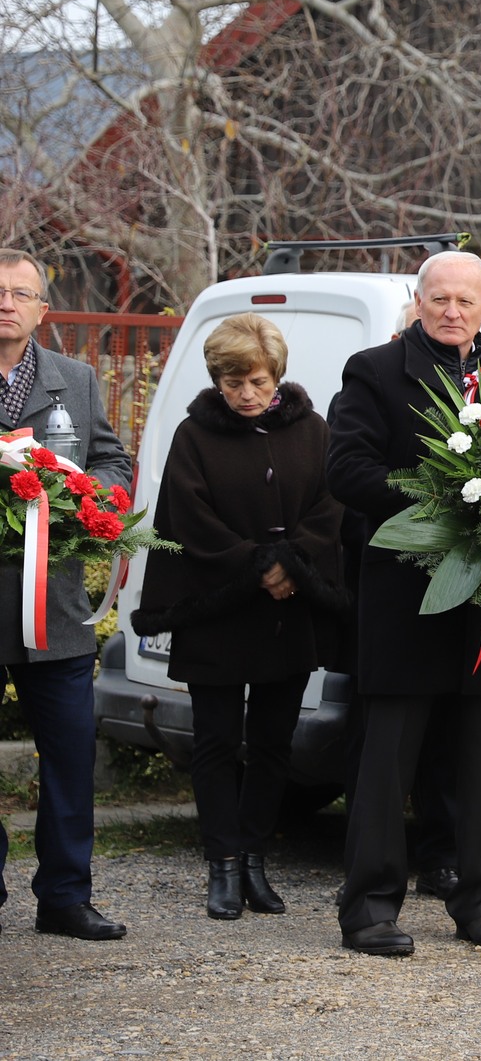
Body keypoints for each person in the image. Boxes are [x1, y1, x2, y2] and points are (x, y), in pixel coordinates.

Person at [327, 251, 481, 957]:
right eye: (438, 298)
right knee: (387, 768)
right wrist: (441, 494)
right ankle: (370, 910)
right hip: (402, 602)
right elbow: (347, 470)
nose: (452, 310)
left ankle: (479, 901)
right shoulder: (374, 371)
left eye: (464, 300)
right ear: (418, 301)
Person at [132, 315, 347, 920]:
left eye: (255, 380)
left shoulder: (314, 431)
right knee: (218, 741)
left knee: (274, 742)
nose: (245, 393)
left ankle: (254, 859)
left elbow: (329, 506)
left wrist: (292, 565)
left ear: (276, 375)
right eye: (232, 382)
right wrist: (258, 565)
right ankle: (223, 865)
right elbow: (187, 515)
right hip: (220, 612)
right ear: (217, 380)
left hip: (288, 611)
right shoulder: (193, 436)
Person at [0, 249, 133, 940]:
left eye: (22, 293)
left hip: (51, 604)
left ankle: (65, 894)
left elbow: (114, 459)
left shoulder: (75, 379)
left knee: (72, 749)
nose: (8, 303)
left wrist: (87, 493)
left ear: (42, 309)